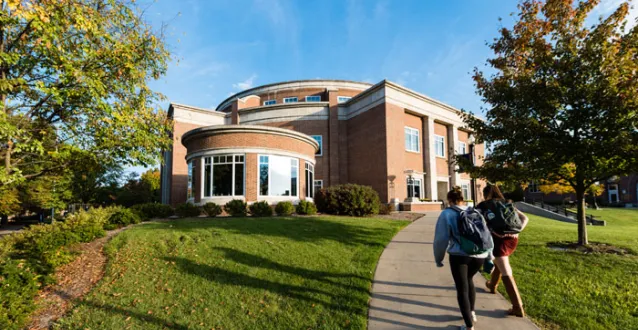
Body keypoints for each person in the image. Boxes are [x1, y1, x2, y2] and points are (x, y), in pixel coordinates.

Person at [434, 186, 493, 330]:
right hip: (479, 255)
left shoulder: (447, 214)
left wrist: (438, 258)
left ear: (449, 200)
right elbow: (487, 235)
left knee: (462, 289)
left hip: (459, 256)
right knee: (469, 280)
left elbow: (441, 239)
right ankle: (471, 313)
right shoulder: (475, 212)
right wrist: (489, 257)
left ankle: (469, 327)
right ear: (462, 199)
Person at [476, 184, 529, 317]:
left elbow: (479, 225)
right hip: (513, 240)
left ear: (485, 194)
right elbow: (525, 218)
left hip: (498, 240)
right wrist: (516, 231)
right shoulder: (507, 203)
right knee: (501, 262)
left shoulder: (483, 206)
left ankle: (517, 307)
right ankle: (492, 285)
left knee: (506, 269)